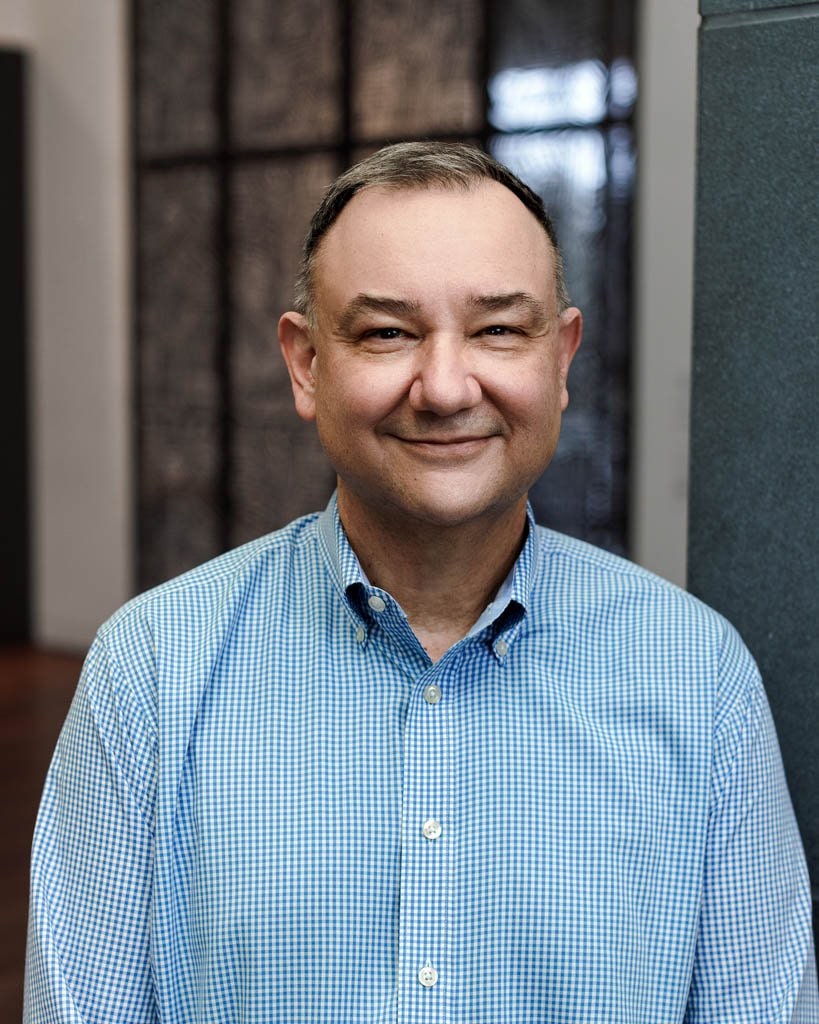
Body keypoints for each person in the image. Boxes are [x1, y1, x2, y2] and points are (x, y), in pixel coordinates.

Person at [25, 143, 817, 1023]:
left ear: (560, 360)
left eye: (498, 330)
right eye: (387, 332)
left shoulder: (699, 680)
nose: (443, 388)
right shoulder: (152, 673)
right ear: (306, 365)